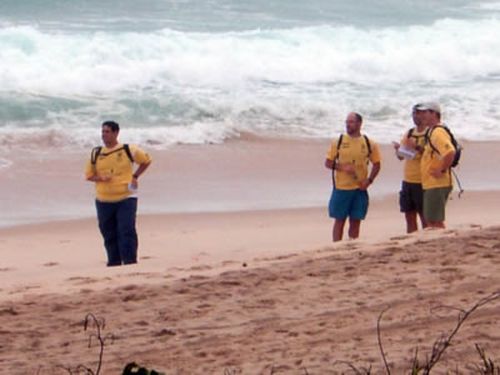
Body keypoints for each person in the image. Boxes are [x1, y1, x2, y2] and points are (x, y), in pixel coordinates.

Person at [85, 121, 152, 266]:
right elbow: (89, 176)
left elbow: (146, 161)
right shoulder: (96, 153)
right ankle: (114, 262)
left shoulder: (128, 149)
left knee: (126, 229)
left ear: (116, 133)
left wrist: (135, 176)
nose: (104, 135)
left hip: (126, 197)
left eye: (107, 132)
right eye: (102, 132)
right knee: (108, 232)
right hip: (103, 199)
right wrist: (100, 178)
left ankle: (130, 262)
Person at [324, 112, 381, 241]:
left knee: (356, 220)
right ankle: (336, 247)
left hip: (359, 188)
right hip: (342, 188)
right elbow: (328, 163)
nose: (348, 125)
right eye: (347, 122)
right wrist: (342, 167)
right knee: (340, 220)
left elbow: (377, 164)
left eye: (351, 122)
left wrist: (369, 180)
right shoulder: (338, 142)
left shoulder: (368, 143)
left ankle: (352, 245)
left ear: (359, 124)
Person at [416, 102, 456, 229]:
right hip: (432, 183)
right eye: (420, 113)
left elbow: (450, 152)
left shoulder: (438, 132)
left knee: (434, 221)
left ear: (434, 114)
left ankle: (441, 243)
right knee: (432, 219)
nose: (422, 116)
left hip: (437, 184)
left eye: (425, 112)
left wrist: (441, 170)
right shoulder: (432, 131)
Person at [393, 104, 428, 233]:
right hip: (408, 180)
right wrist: (398, 150)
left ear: (425, 114)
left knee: (424, 215)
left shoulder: (430, 133)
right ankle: (411, 240)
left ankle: (427, 239)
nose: (416, 116)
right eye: (414, 113)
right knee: (409, 214)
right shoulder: (409, 133)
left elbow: (432, 155)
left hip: (423, 181)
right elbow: (402, 157)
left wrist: (417, 147)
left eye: (419, 113)